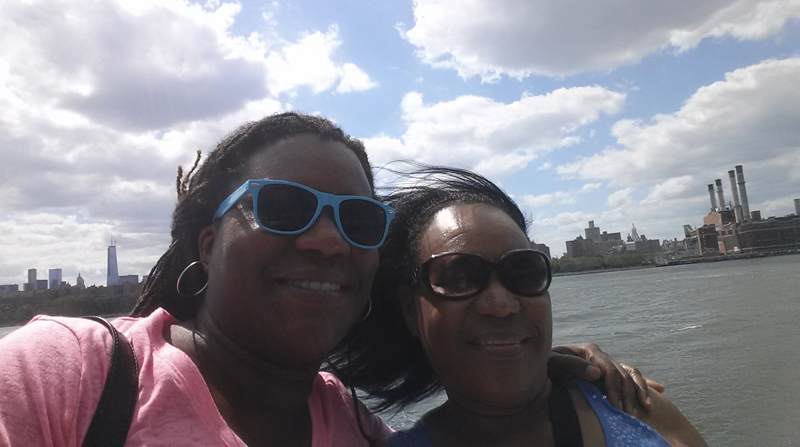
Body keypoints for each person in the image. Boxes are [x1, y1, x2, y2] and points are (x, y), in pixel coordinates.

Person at [0, 113, 657, 446]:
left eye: (360, 219)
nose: (326, 239)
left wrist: (555, 373)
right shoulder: (73, 375)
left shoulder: (359, 431)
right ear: (209, 241)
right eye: (285, 209)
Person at [337, 165, 706, 446]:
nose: (500, 304)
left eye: (523, 272)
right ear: (409, 309)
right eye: (459, 277)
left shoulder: (636, 410)